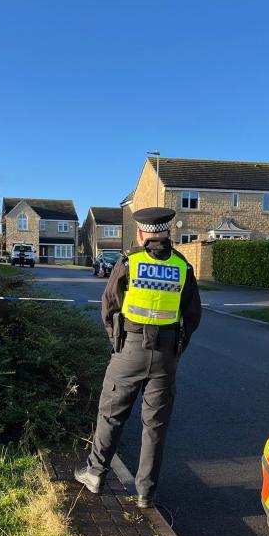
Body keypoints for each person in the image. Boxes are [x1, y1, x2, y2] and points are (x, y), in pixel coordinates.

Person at [75, 207, 202, 508]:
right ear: (168, 232)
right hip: (166, 355)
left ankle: (95, 474)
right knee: (155, 425)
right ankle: (145, 493)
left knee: (111, 414)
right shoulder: (183, 267)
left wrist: (116, 340)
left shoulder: (129, 262)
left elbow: (108, 306)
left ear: (142, 232)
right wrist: (176, 348)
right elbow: (193, 315)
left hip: (129, 349)